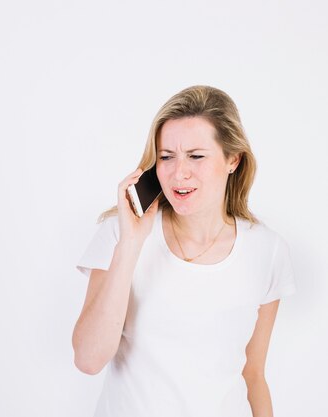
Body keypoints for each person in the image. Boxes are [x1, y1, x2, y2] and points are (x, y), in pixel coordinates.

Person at [72, 85, 296, 417]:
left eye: (196, 155)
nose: (179, 173)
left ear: (233, 159)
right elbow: (88, 359)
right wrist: (130, 246)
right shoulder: (121, 233)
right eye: (166, 157)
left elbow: (253, 376)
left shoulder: (267, 250)